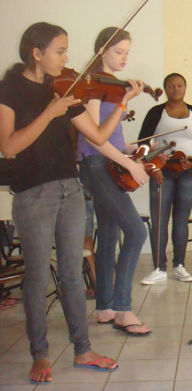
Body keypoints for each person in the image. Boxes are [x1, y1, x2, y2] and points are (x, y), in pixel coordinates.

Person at [0, 22, 136, 383]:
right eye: (60, 51)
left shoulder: (66, 88)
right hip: (33, 194)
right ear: (36, 53)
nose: (66, 57)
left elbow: (99, 136)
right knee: (38, 275)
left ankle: (83, 348)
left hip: (70, 190)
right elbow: (9, 146)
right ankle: (40, 354)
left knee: (74, 274)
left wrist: (121, 103)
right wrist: (50, 112)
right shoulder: (9, 88)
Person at [77, 27, 152, 336]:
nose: (124, 58)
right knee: (135, 232)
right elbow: (93, 137)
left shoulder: (110, 86)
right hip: (96, 165)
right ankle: (123, 309)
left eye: (126, 53)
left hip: (108, 162)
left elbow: (109, 134)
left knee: (108, 235)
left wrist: (129, 149)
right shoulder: (93, 84)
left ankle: (105, 307)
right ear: (102, 51)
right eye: (119, 51)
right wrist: (130, 166)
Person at [138, 73, 192, 284]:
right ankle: (159, 267)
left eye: (179, 85)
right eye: (171, 86)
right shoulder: (156, 112)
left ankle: (180, 265)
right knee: (159, 220)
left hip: (189, 171)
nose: (175, 89)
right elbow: (143, 144)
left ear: (185, 88)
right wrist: (153, 168)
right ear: (165, 89)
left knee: (181, 220)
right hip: (162, 172)